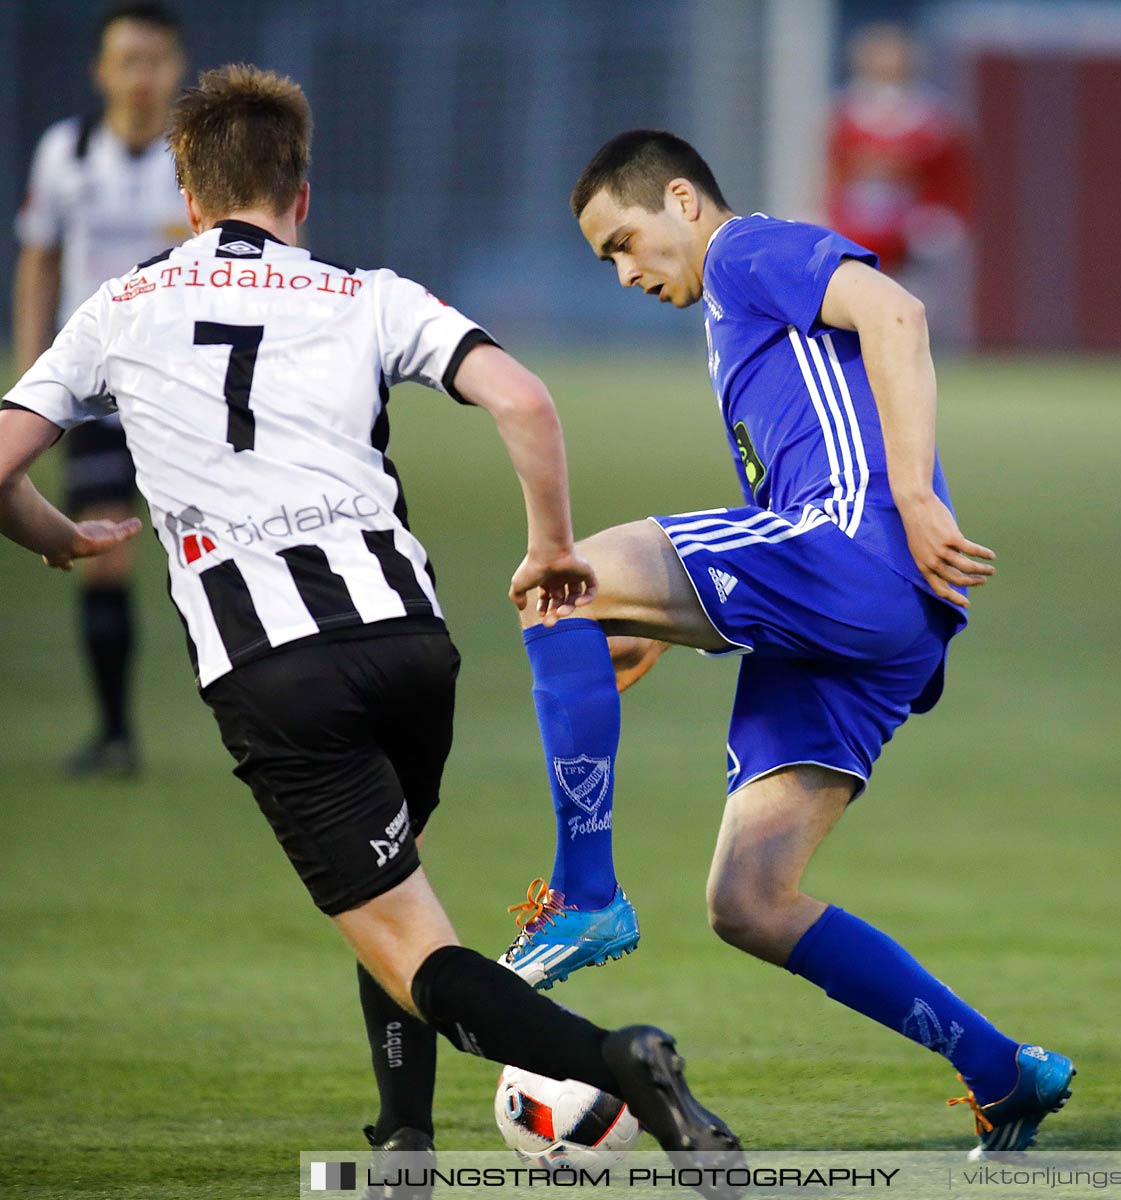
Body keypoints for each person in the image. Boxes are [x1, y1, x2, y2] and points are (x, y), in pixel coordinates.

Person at [0, 69, 740, 1196]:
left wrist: (58, 536)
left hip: (274, 670)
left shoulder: (116, 307)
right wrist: (552, 549)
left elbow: (5, 465)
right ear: (302, 193)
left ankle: (621, 1066)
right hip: (410, 642)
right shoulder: (365, 291)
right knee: (400, 886)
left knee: (413, 949)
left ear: (190, 202)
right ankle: (403, 1136)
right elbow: (525, 401)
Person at [498, 129, 1074, 1157]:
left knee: (557, 583)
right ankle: (1003, 1073)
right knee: (749, 901)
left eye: (625, 242)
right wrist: (670, 627)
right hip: (868, 621)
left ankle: (584, 895)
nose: (627, 273)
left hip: (862, 552)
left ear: (682, 199)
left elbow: (897, 311)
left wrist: (907, 497)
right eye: (607, 262)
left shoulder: (746, 251)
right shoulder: (732, 319)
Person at [12, 1, 192, 776]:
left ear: (177, 67)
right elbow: (39, 261)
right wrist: (32, 381)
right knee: (108, 548)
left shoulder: (198, 157)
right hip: (94, 389)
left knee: (210, 550)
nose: (141, 76)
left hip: (187, 387)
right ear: (102, 70)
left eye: (155, 60)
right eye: (128, 60)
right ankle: (116, 733)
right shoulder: (67, 153)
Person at [824, 23, 973, 345]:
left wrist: (945, 218)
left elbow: (951, 177)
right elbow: (830, 170)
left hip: (910, 223)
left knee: (912, 300)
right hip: (855, 221)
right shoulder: (845, 111)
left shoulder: (933, 116)